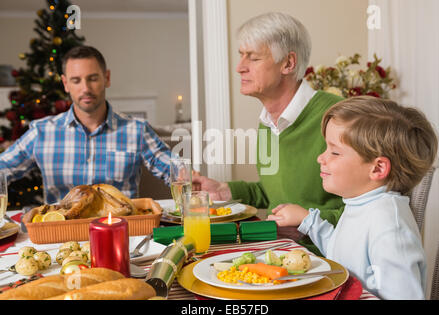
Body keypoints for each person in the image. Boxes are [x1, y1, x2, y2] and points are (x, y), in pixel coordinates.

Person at [192, 12, 344, 255]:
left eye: (252, 58)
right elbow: (274, 192)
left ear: (288, 63)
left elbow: (365, 209)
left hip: (323, 257)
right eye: (241, 56)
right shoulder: (267, 121)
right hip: (276, 250)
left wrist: (306, 222)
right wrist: (223, 190)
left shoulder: (338, 117)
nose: (239, 67)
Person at [267, 96, 438, 299]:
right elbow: (340, 251)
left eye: (335, 152)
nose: (320, 158)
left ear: (377, 168)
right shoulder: (361, 203)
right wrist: (308, 220)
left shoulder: (389, 225)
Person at [0, 46, 172, 204]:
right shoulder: (42, 131)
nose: (85, 88)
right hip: (60, 234)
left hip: (123, 233)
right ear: (66, 84)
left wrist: (188, 177)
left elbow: (172, 167)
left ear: (107, 78)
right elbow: (4, 167)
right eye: (76, 80)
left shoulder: (137, 129)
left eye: (93, 78)